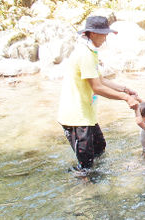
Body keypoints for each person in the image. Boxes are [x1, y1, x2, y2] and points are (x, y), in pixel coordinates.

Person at [57, 15, 140, 174]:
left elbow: (100, 80)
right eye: (103, 33)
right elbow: (97, 88)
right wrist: (126, 99)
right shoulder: (85, 54)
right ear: (92, 33)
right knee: (86, 165)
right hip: (76, 117)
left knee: (99, 147)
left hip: (86, 114)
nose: (106, 37)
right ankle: (83, 192)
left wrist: (124, 89)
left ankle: (95, 181)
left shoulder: (90, 52)